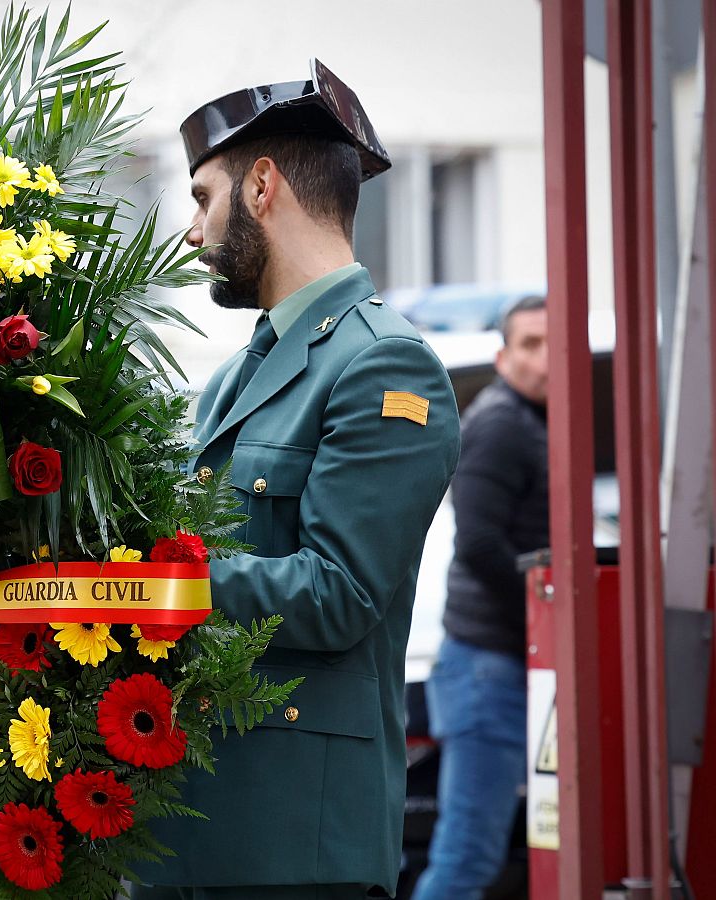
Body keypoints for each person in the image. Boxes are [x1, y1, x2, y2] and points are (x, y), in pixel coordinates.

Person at [131, 60, 461, 899]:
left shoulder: (384, 363)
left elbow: (341, 589)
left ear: (262, 186)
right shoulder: (238, 375)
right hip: (194, 826)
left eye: (203, 196)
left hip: (295, 843)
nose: (191, 231)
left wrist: (151, 585)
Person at [413, 295, 548, 899]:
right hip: (485, 667)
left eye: (555, 343)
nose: (545, 359)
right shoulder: (501, 423)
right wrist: (552, 608)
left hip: (501, 664)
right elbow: (479, 546)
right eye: (530, 344)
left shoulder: (533, 420)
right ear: (502, 356)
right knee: (467, 856)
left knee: (481, 852)